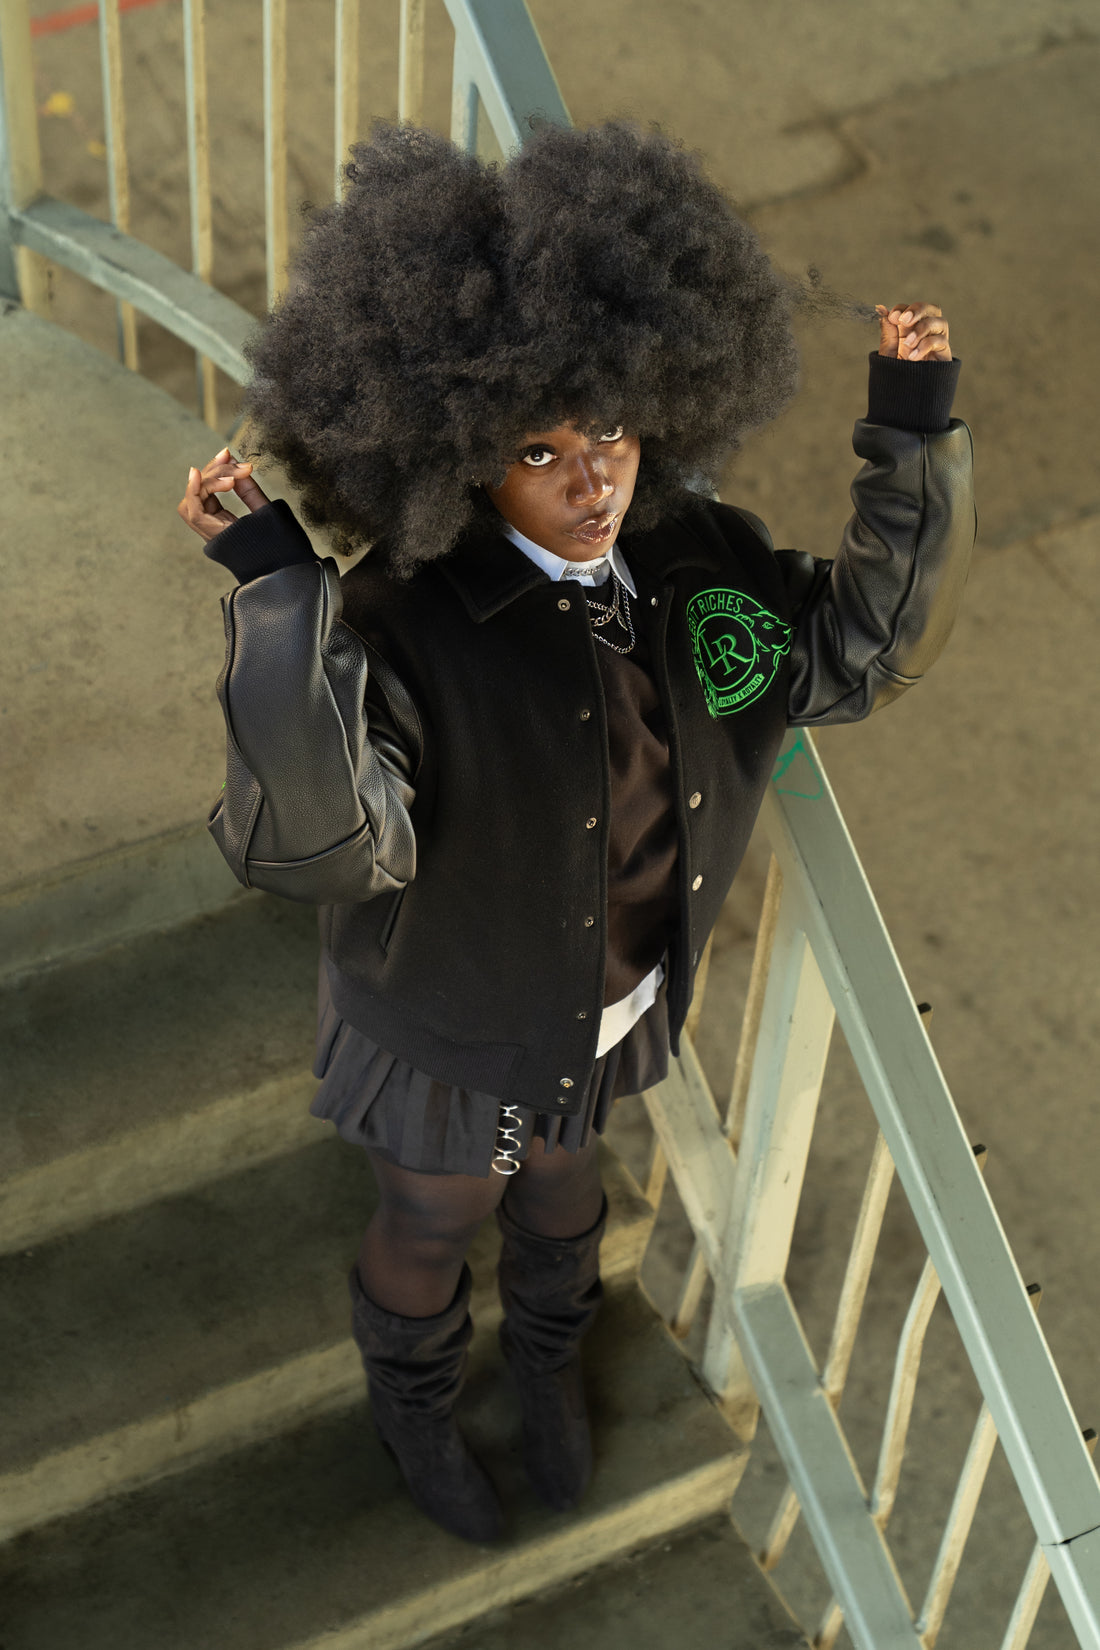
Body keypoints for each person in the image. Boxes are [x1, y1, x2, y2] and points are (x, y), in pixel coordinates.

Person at [177, 118, 974, 1546]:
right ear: (461, 460)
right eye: (537, 450)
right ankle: (415, 1406)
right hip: (447, 1025)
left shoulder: (692, 561)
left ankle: (547, 1362)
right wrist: (279, 599)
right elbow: (321, 845)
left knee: (561, 1193)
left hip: (610, 1001)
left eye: (606, 430)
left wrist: (912, 435)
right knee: (434, 1222)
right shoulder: (403, 622)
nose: (591, 479)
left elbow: (854, 652)